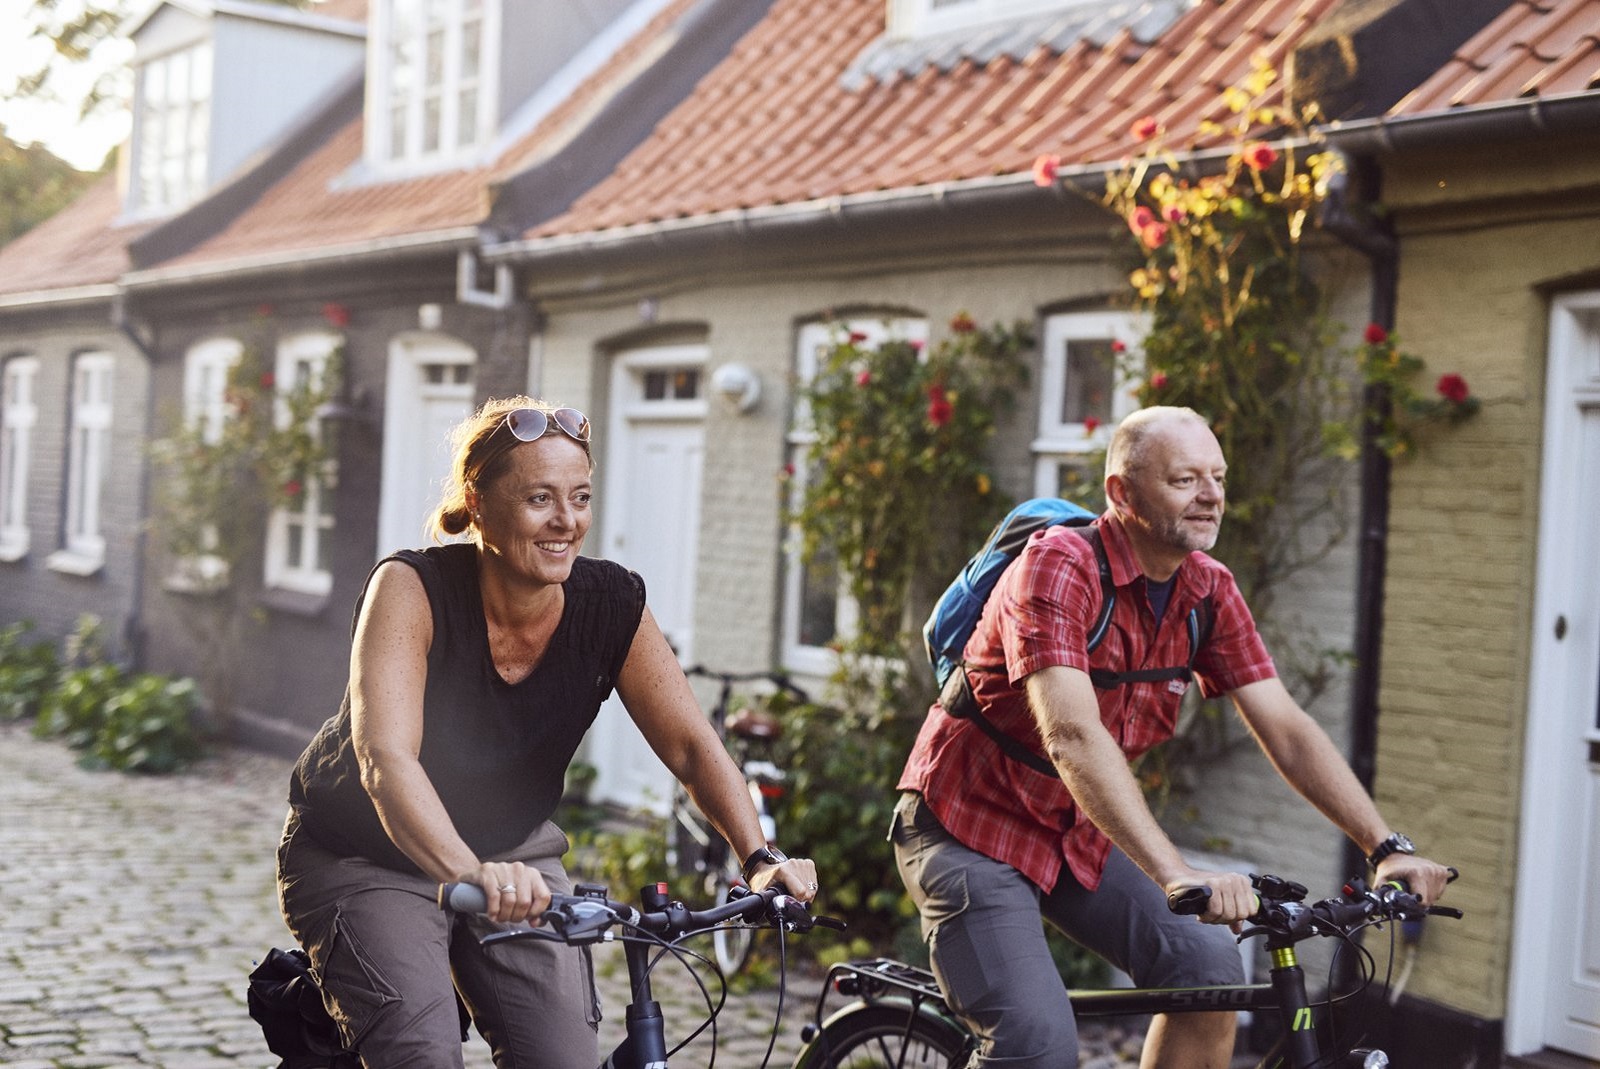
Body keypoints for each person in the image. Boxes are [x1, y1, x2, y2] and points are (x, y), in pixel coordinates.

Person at [893, 405, 1451, 1069]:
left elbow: (1287, 728)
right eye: (1185, 479)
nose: (1211, 494)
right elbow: (1072, 735)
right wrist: (1176, 872)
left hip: (1074, 830)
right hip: (966, 826)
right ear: (1121, 494)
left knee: (1210, 972)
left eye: (1216, 476)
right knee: (1036, 1047)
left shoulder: (1208, 590)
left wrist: (1384, 845)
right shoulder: (1059, 566)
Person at [276, 396, 819, 1069]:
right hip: (366, 854)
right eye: (539, 498)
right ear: (478, 503)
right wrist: (469, 871)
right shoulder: (411, 589)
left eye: (580, 496)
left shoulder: (612, 604)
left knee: (561, 1056)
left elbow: (692, 745)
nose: (566, 520)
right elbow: (385, 758)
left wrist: (758, 858)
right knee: (421, 1051)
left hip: (514, 853)